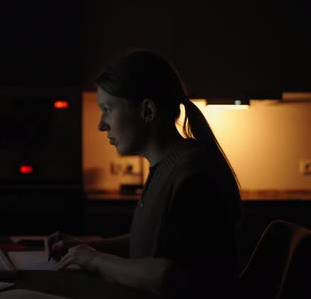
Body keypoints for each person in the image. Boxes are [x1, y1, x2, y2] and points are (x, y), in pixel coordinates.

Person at [47, 50, 242, 298]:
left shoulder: (193, 175)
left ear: (147, 110)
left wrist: (95, 260)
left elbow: (167, 276)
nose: (101, 124)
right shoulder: (170, 165)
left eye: (107, 109)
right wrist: (84, 249)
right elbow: (148, 242)